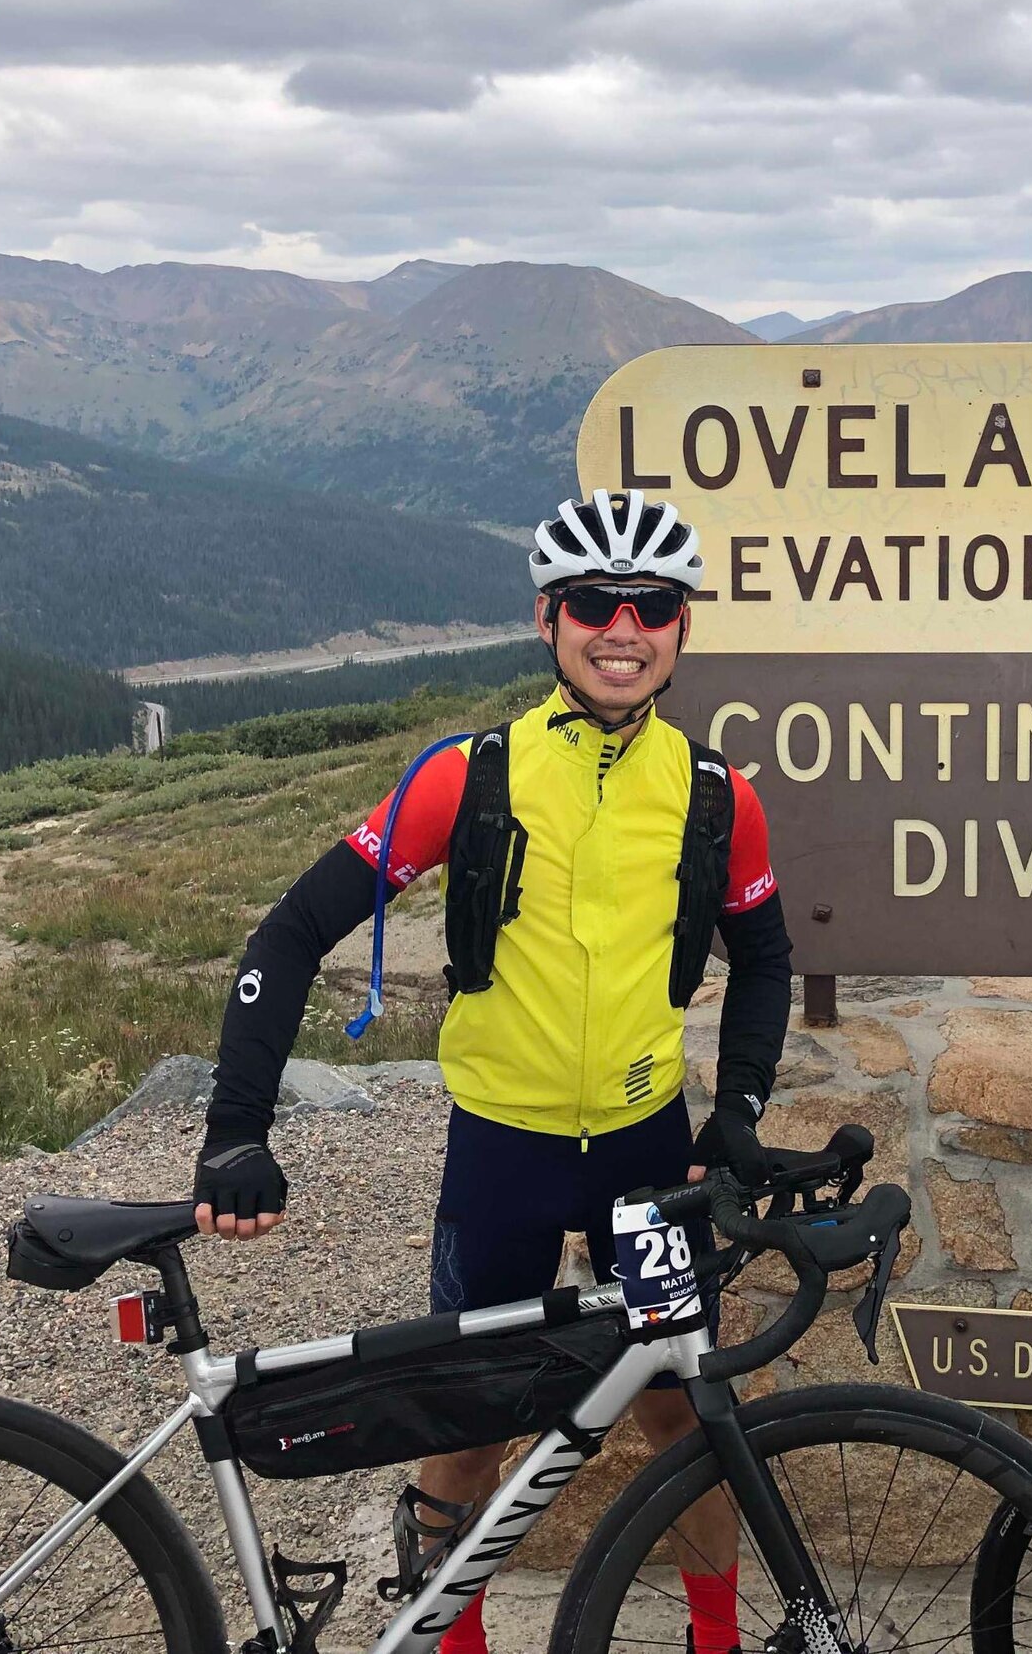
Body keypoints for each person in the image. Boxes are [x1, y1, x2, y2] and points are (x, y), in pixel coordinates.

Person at [191, 488, 792, 1654]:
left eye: (651, 605)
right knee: (468, 1429)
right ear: (547, 618)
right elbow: (287, 937)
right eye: (593, 605)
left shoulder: (717, 796)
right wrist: (234, 1127)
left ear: (682, 626)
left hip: (645, 1152)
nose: (622, 629)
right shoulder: (465, 779)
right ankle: (449, 1643)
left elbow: (765, 961)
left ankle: (714, 1644)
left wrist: (743, 1109)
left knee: (688, 1416)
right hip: (502, 1148)